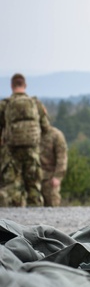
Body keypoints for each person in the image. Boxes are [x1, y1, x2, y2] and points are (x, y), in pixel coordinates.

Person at [0, 73, 50, 207]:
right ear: (25, 85)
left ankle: (15, 220)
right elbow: (46, 128)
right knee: (33, 185)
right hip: (32, 149)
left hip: (12, 150)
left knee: (13, 187)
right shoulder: (36, 104)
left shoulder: (5, 104)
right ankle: (37, 217)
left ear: (11, 86)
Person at [39, 123, 68, 207]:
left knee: (52, 206)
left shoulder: (56, 135)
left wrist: (58, 176)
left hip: (50, 177)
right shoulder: (32, 135)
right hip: (34, 178)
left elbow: (62, 157)